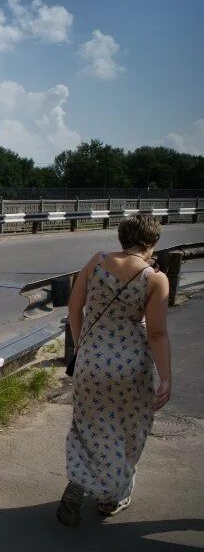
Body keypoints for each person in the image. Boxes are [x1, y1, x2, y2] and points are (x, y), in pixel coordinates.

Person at [57, 214, 172, 527]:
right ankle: (111, 496)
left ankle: (79, 481)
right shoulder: (155, 279)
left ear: (122, 238)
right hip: (131, 367)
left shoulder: (97, 261)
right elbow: (157, 333)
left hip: (90, 361)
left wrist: (81, 345)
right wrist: (166, 377)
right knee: (129, 429)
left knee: (86, 425)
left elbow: (74, 306)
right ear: (152, 243)